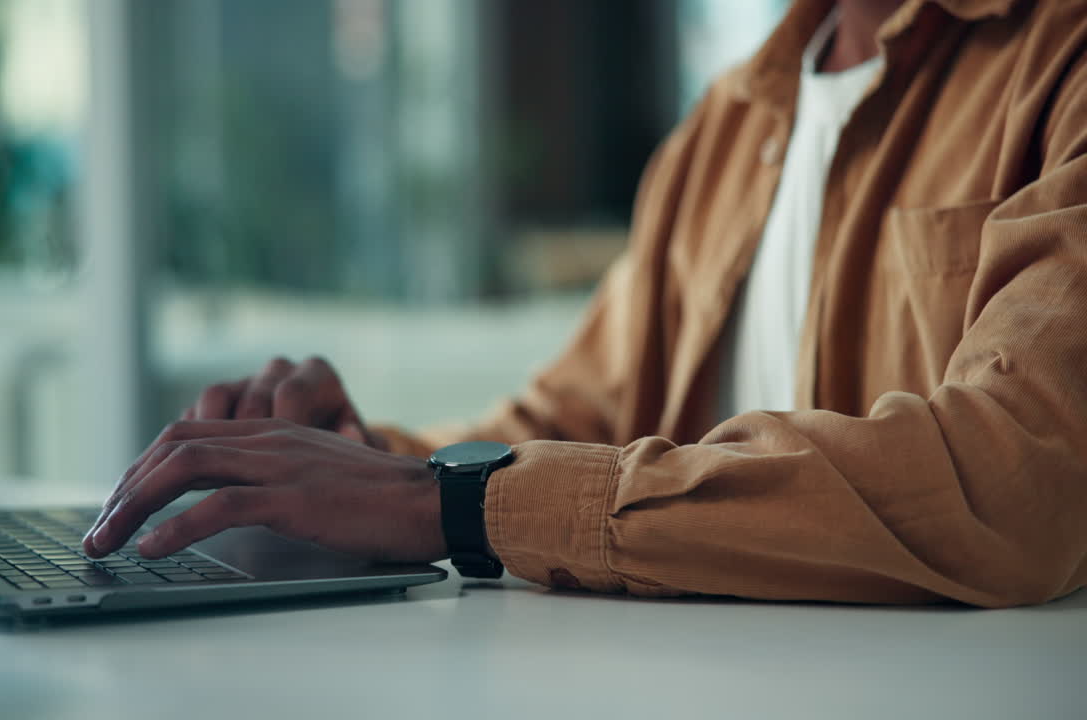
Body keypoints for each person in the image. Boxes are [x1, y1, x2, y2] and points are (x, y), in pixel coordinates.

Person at [84, 0, 1087, 608]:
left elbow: (1013, 480)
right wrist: (344, 458)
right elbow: (572, 426)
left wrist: (452, 504)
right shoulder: (726, 129)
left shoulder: (1061, 60)